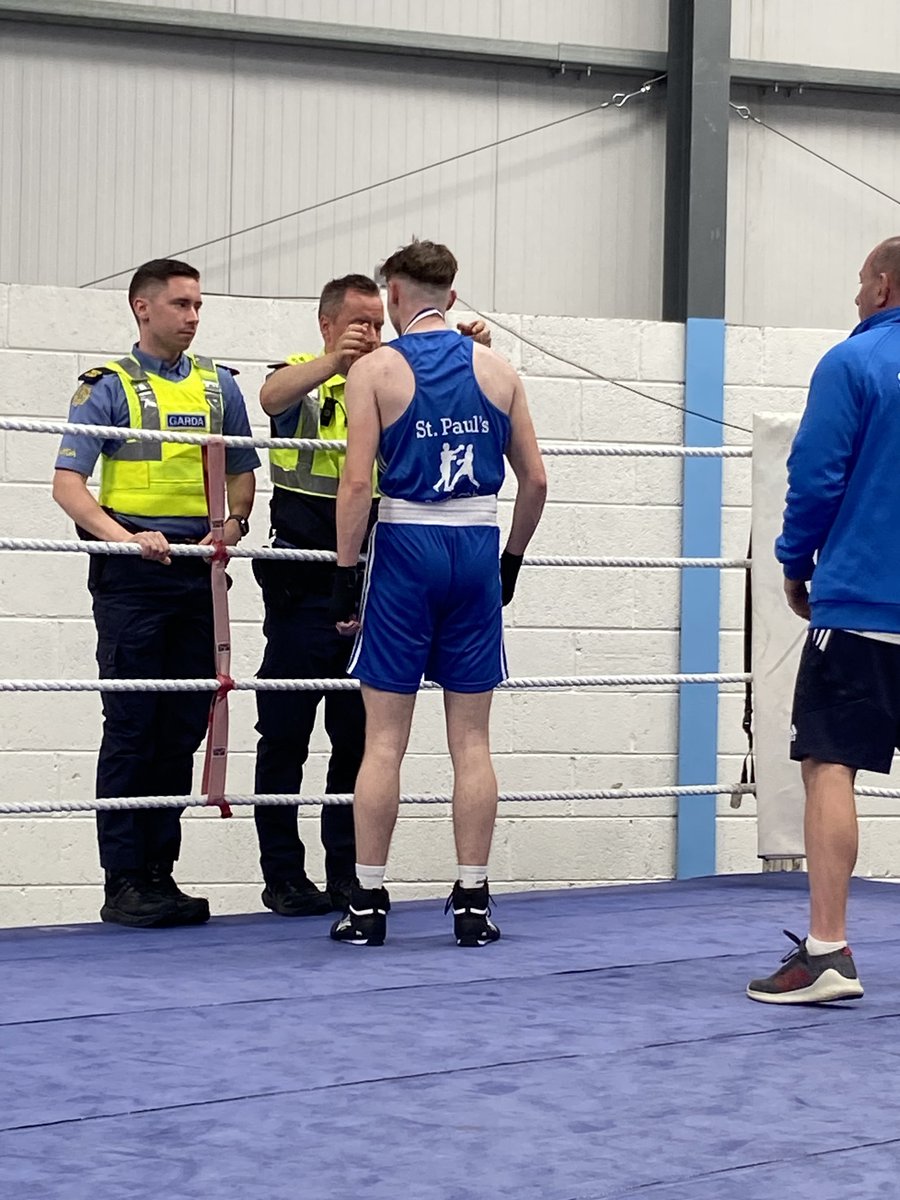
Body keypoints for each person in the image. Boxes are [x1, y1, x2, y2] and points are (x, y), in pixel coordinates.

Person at [328, 239, 547, 948]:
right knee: (473, 738)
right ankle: (474, 901)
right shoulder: (500, 369)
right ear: (450, 298)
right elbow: (537, 481)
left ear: (392, 294)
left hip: (405, 547)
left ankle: (366, 902)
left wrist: (343, 570)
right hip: (477, 544)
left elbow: (357, 483)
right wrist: (511, 559)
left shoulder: (376, 369)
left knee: (384, 740)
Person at [254, 274, 491, 917]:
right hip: (304, 570)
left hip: (376, 563)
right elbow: (270, 396)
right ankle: (282, 874)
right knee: (284, 730)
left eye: (377, 323)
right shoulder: (305, 372)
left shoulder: (393, 374)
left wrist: (463, 353)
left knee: (357, 731)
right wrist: (338, 361)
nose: (371, 333)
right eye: (357, 322)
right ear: (327, 322)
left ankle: (348, 875)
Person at [52, 258, 259, 929]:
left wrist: (230, 526)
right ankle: (123, 880)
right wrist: (125, 536)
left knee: (181, 726)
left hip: (200, 569)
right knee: (134, 727)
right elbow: (68, 487)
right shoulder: (107, 386)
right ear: (143, 309)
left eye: (198, 305)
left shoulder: (219, 387)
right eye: (180, 305)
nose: (193, 317)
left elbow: (244, 477)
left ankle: (158, 876)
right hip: (134, 574)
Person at [747, 236, 900, 1003]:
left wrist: (793, 561)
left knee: (830, 762)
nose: (854, 296)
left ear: (881, 285)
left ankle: (829, 952)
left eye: (860, 281)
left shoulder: (854, 362)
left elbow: (815, 475)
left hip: (866, 604)